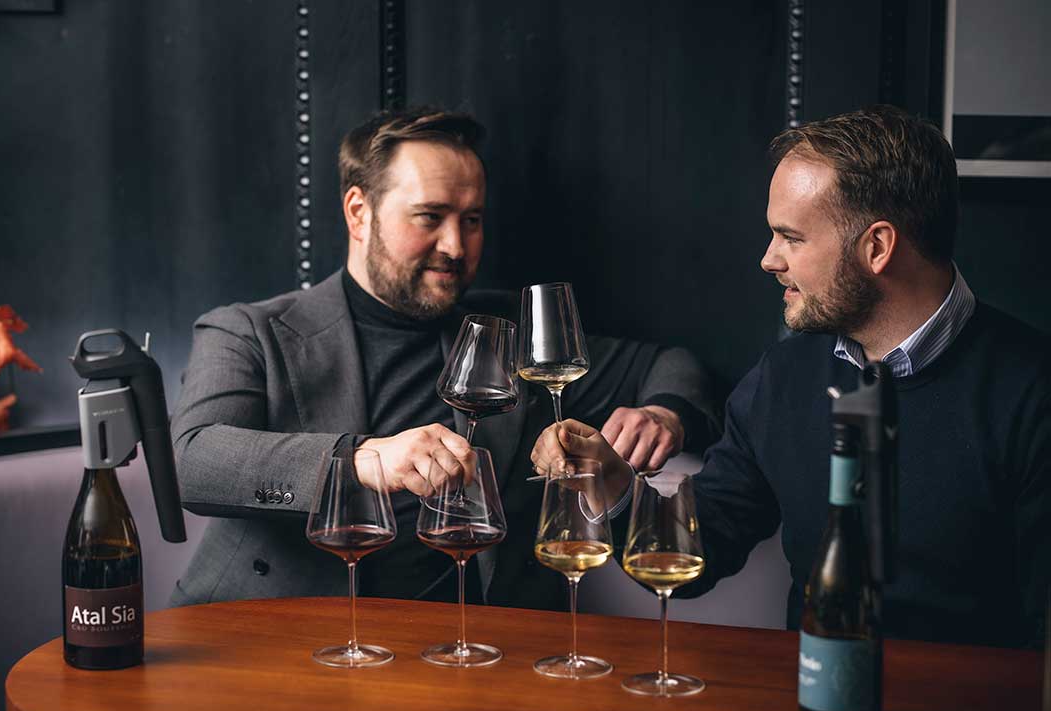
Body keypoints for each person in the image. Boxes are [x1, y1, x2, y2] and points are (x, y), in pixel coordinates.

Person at [533, 106, 1050, 647]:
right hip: (811, 702)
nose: (768, 260)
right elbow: (699, 552)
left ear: (877, 247)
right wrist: (611, 480)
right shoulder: (783, 376)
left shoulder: (1034, 393)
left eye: (791, 238)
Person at [168, 107, 721, 612]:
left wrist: (664, 414)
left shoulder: (510, 330)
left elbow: (671, 364)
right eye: (430, 216)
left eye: (472, 219)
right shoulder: (248, 330)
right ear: (359, 213)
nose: (456, 246)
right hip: (270, 632)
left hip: (466, 647)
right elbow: (193, 463)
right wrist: (361, 461)